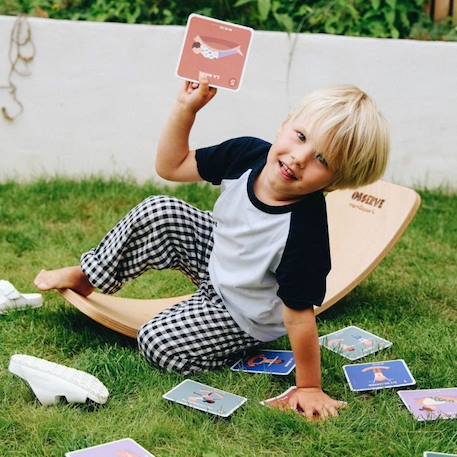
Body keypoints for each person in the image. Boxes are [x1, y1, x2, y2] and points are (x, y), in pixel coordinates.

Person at [34, 76, 390, 421]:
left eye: (322, 161)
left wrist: (309, 386)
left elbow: (299, 314)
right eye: (300, 137)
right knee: (160, 210)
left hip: (244, 311)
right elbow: (170, 166)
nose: (298, 158)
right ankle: (89, 275)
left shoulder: (304, 230)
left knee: (157, 343)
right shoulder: (248, 153)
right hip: (216, 257)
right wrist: (186, 109)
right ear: (285, 124)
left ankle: (217, 333)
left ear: (335, 182)